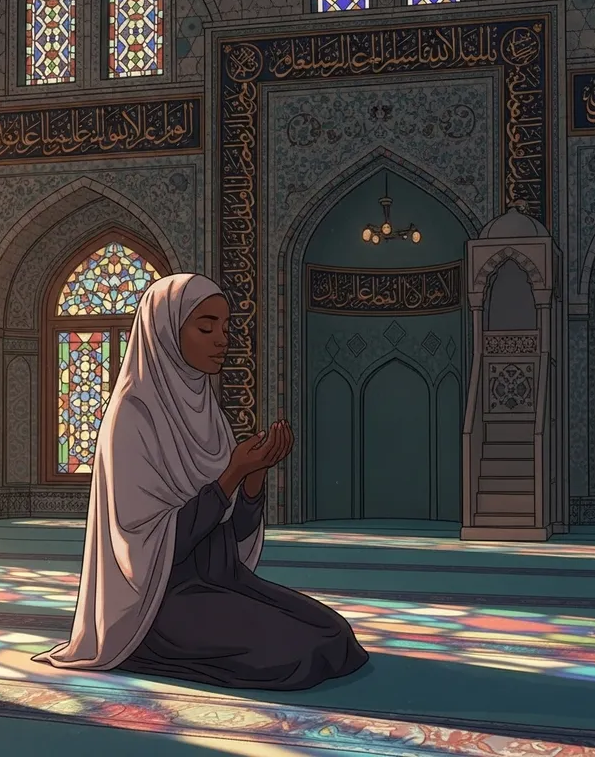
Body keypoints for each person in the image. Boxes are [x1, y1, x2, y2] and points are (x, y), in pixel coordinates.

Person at [33, 273, 369, 690]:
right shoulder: (132, 416)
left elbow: (227, 537)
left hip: (213, 581)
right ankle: (145, 651)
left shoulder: (210, 416)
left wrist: (253, 478)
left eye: (225, 328)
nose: (221, 339)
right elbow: (142, 546)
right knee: (295, 652)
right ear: (166, 332)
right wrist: (231, 474)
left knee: (333, 633)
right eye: (205, 327)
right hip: (153, 600)